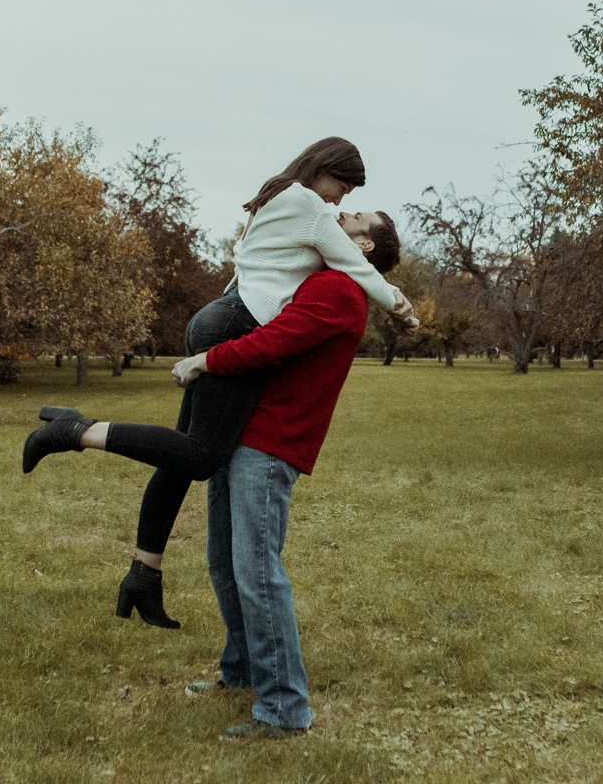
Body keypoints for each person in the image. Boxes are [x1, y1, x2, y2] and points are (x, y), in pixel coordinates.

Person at [28, 218, 401, 739]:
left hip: (270, 443)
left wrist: (205, 359)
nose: (338, 218)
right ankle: (241, 671)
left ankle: (284, 709)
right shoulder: (321, 278)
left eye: (355, 220)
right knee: (225, 561)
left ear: (363, 245)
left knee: (257, 572)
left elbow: (272, 343)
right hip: (241, 434)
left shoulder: (338, 288)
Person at [24, 138, 416, 629]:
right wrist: (399, 306)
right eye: (343, 189)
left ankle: (144, 574)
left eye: (350, 204)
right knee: (201, 455)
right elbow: (356, 266)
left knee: (181, 454)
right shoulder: (310, 206)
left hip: (222, 314)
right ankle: (76, 430)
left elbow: (272, 263)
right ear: (325, 169)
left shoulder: (281, 196)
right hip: (235, 324)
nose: (341, 203)